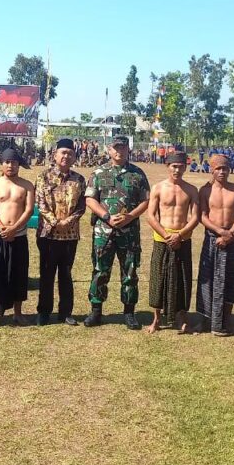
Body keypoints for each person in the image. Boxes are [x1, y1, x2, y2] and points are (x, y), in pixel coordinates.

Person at [84, 135, 150, 330]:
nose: (119, 151)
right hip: (104, 232)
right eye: (115, 148)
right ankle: (96, 311)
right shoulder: (98, 173)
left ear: (128, 149)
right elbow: (90, 199)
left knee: (129, 272)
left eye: (123, 148)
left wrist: (130, 216)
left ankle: (129, 313)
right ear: (109, 150)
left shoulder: (137, 174)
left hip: (129, 232)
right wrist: (106, 216)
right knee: (99, 270)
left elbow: (145, 201)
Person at [146, 152, 201, 333]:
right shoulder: (158, 188)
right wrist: (166, 235)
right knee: (158, 279)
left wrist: (180, 234)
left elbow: (195, 217)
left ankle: (182, 319)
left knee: (182, 279)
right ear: (167, 166)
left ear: (185, 167)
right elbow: (151, 216)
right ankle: (156, 319)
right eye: (173, 166)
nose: (177, 170)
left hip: (183, 239)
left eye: (180, 166)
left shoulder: (191, 190)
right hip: (162, 240)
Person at [35, 138, 86, 326]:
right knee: (47, 274)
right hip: (48, 234)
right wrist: (56, 222)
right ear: (55, 155)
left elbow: (82, 206)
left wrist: (68, 222)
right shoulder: (43, 177)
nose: (66, 156)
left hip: (70, 235)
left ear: (74, 157)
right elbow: (40, 203)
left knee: (66, 274)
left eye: (70, 153)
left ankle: (65, 312)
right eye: (63, 152)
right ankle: (44, 312)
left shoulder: (79, 179)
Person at [196, 154, 234, 337]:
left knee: (230, 281)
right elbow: (202, 216)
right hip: (212, 239)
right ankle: (205, 319)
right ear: (211, 169)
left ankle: (226, 320)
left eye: (225, 168)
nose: (222, 172)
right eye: (218, 168)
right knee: (207, 279)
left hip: (232, 239)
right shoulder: (204, 191)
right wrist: (220, 232)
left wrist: (231, 234)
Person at [0, 148, 35, 326]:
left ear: (18, 164)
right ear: (2, 163)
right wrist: (2, 228)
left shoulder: (27, 185)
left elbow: (29, 210)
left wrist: (14, 229)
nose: (10, 165)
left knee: (18, 273)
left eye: (14, 162)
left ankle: (18, 313)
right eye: (7, 162)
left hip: (19, 236)